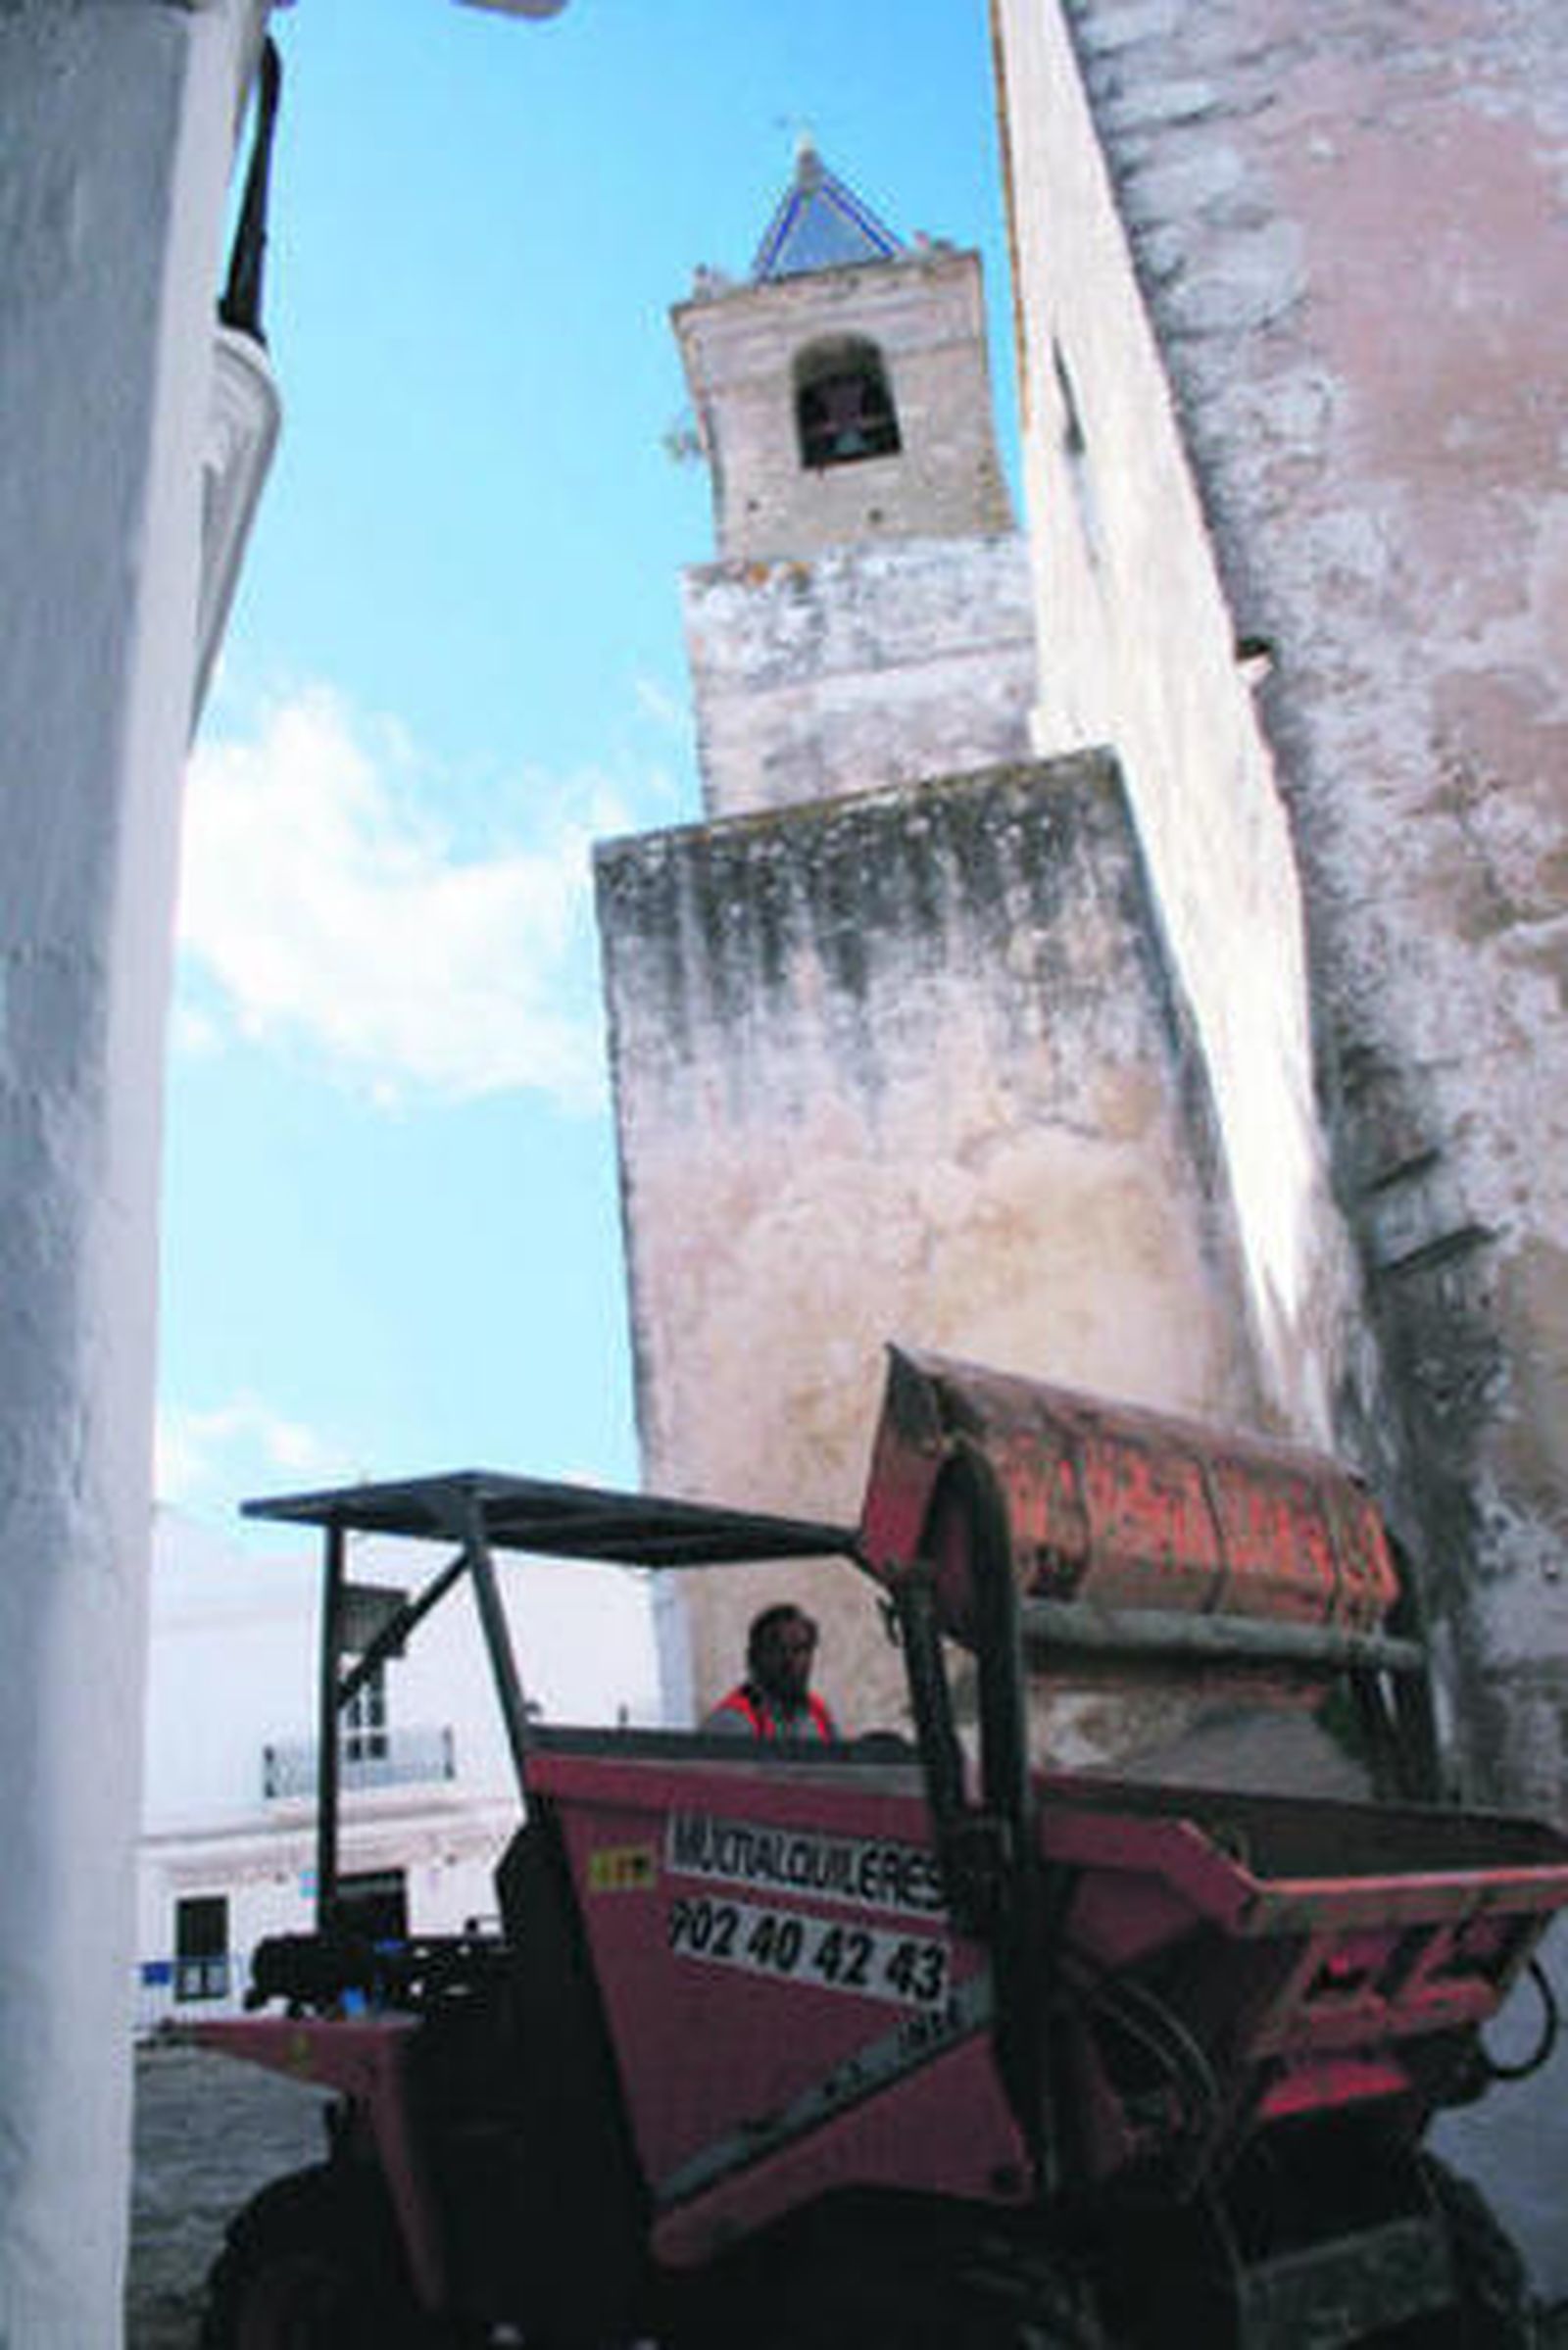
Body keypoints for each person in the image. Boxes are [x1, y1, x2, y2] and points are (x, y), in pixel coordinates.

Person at [703, 1603, 838, 1743]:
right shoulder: (733, 1722)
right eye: (778, 1649)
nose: (790, 1660)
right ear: (753, 1658)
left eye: (800, 1649)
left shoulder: (819, 1714)